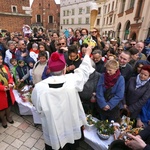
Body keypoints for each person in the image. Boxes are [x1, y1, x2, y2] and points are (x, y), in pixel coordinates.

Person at [31, 46, 94, 150]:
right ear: (64, 69)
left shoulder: (39, 88)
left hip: (53, 127)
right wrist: (87, 54)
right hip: (71, 123)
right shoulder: (72, 80)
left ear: (49, 69)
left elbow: (38, 108)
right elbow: (83, 71)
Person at [0, 53, 15, 128]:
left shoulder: (5, 67)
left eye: (1, 59)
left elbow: (10, 77)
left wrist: (10, 83)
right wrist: (3, 88)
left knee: (8, 105)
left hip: (8, 91)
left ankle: (8, 117)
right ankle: (3, 120)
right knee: (1, 108)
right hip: (1, 93)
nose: (1, 61)